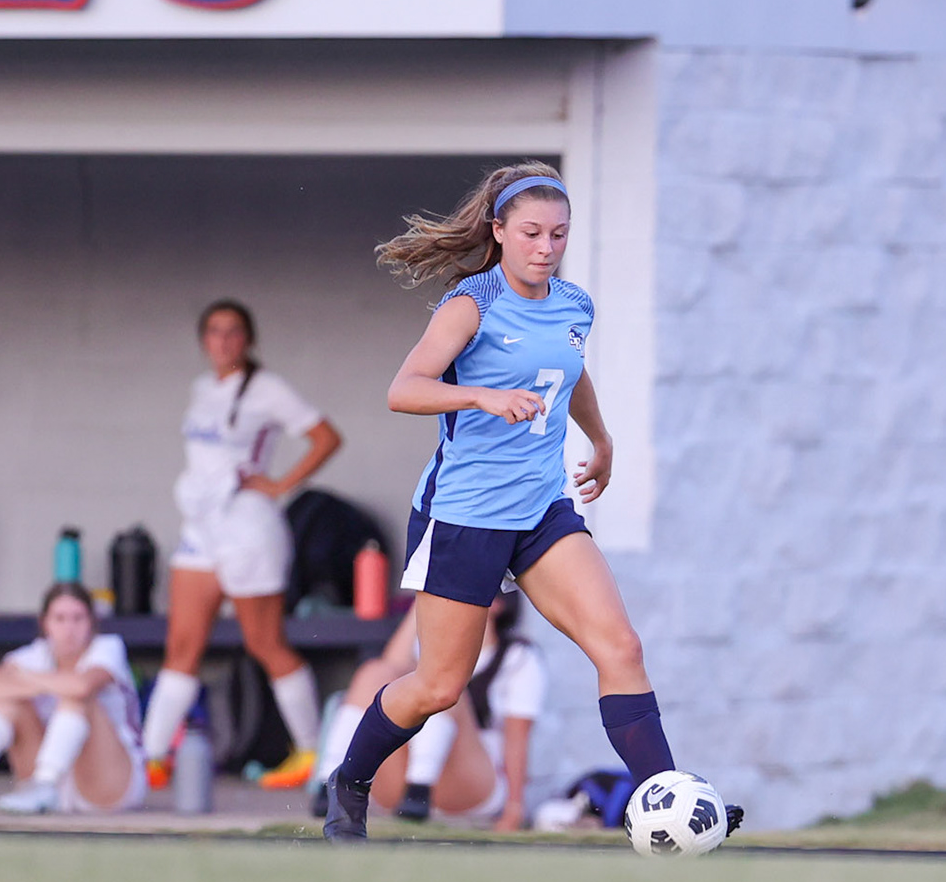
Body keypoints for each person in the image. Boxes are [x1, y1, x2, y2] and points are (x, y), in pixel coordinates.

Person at [323, 162, 743, 842]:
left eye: (558, 235)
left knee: (621, 646)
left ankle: (667, 803)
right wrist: (479, 395)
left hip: (543, 510)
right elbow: (404, 388)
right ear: (499, 232)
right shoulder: (471, 303)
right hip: (465, 514)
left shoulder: (574, 305)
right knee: (438, 686)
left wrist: (600, 438)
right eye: (531, 234)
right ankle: (350, 781)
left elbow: (566, 373)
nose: (545, 247)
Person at [138, 300, 343, 792]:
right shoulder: (202, 388)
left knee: (264, 642)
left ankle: (312, 754)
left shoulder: (267, 389)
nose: (224, 341)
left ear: (248, 339)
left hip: (249, 528)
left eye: (233, 332)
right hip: (201, 528)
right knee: (182, 646)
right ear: (203, 339)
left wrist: (280, 484)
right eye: (214, 331)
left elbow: (325, 437)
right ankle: (150, 758)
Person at [317, 592, 542, 830]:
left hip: (471, 781)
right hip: (401, 782)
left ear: (497, 604)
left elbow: (517, 738)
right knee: (375, 672)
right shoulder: (425, 644)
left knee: (445, 686)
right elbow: (387, 678)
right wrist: (425, 592)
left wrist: (514, 807)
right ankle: (331, 785)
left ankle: (420, 786)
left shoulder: (518, 657)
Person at [0, 583, 147, 815]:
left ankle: (46, 783)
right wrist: (36, 684)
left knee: (76, 699)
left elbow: (81, 685)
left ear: (92, 623)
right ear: (45, 624)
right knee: (8, 703)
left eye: (78, 619)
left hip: (108, 784)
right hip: (54, 786)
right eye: (60, 619)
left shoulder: (107, 647)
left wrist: (29, 679)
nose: (69, 629)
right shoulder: (35, 653)